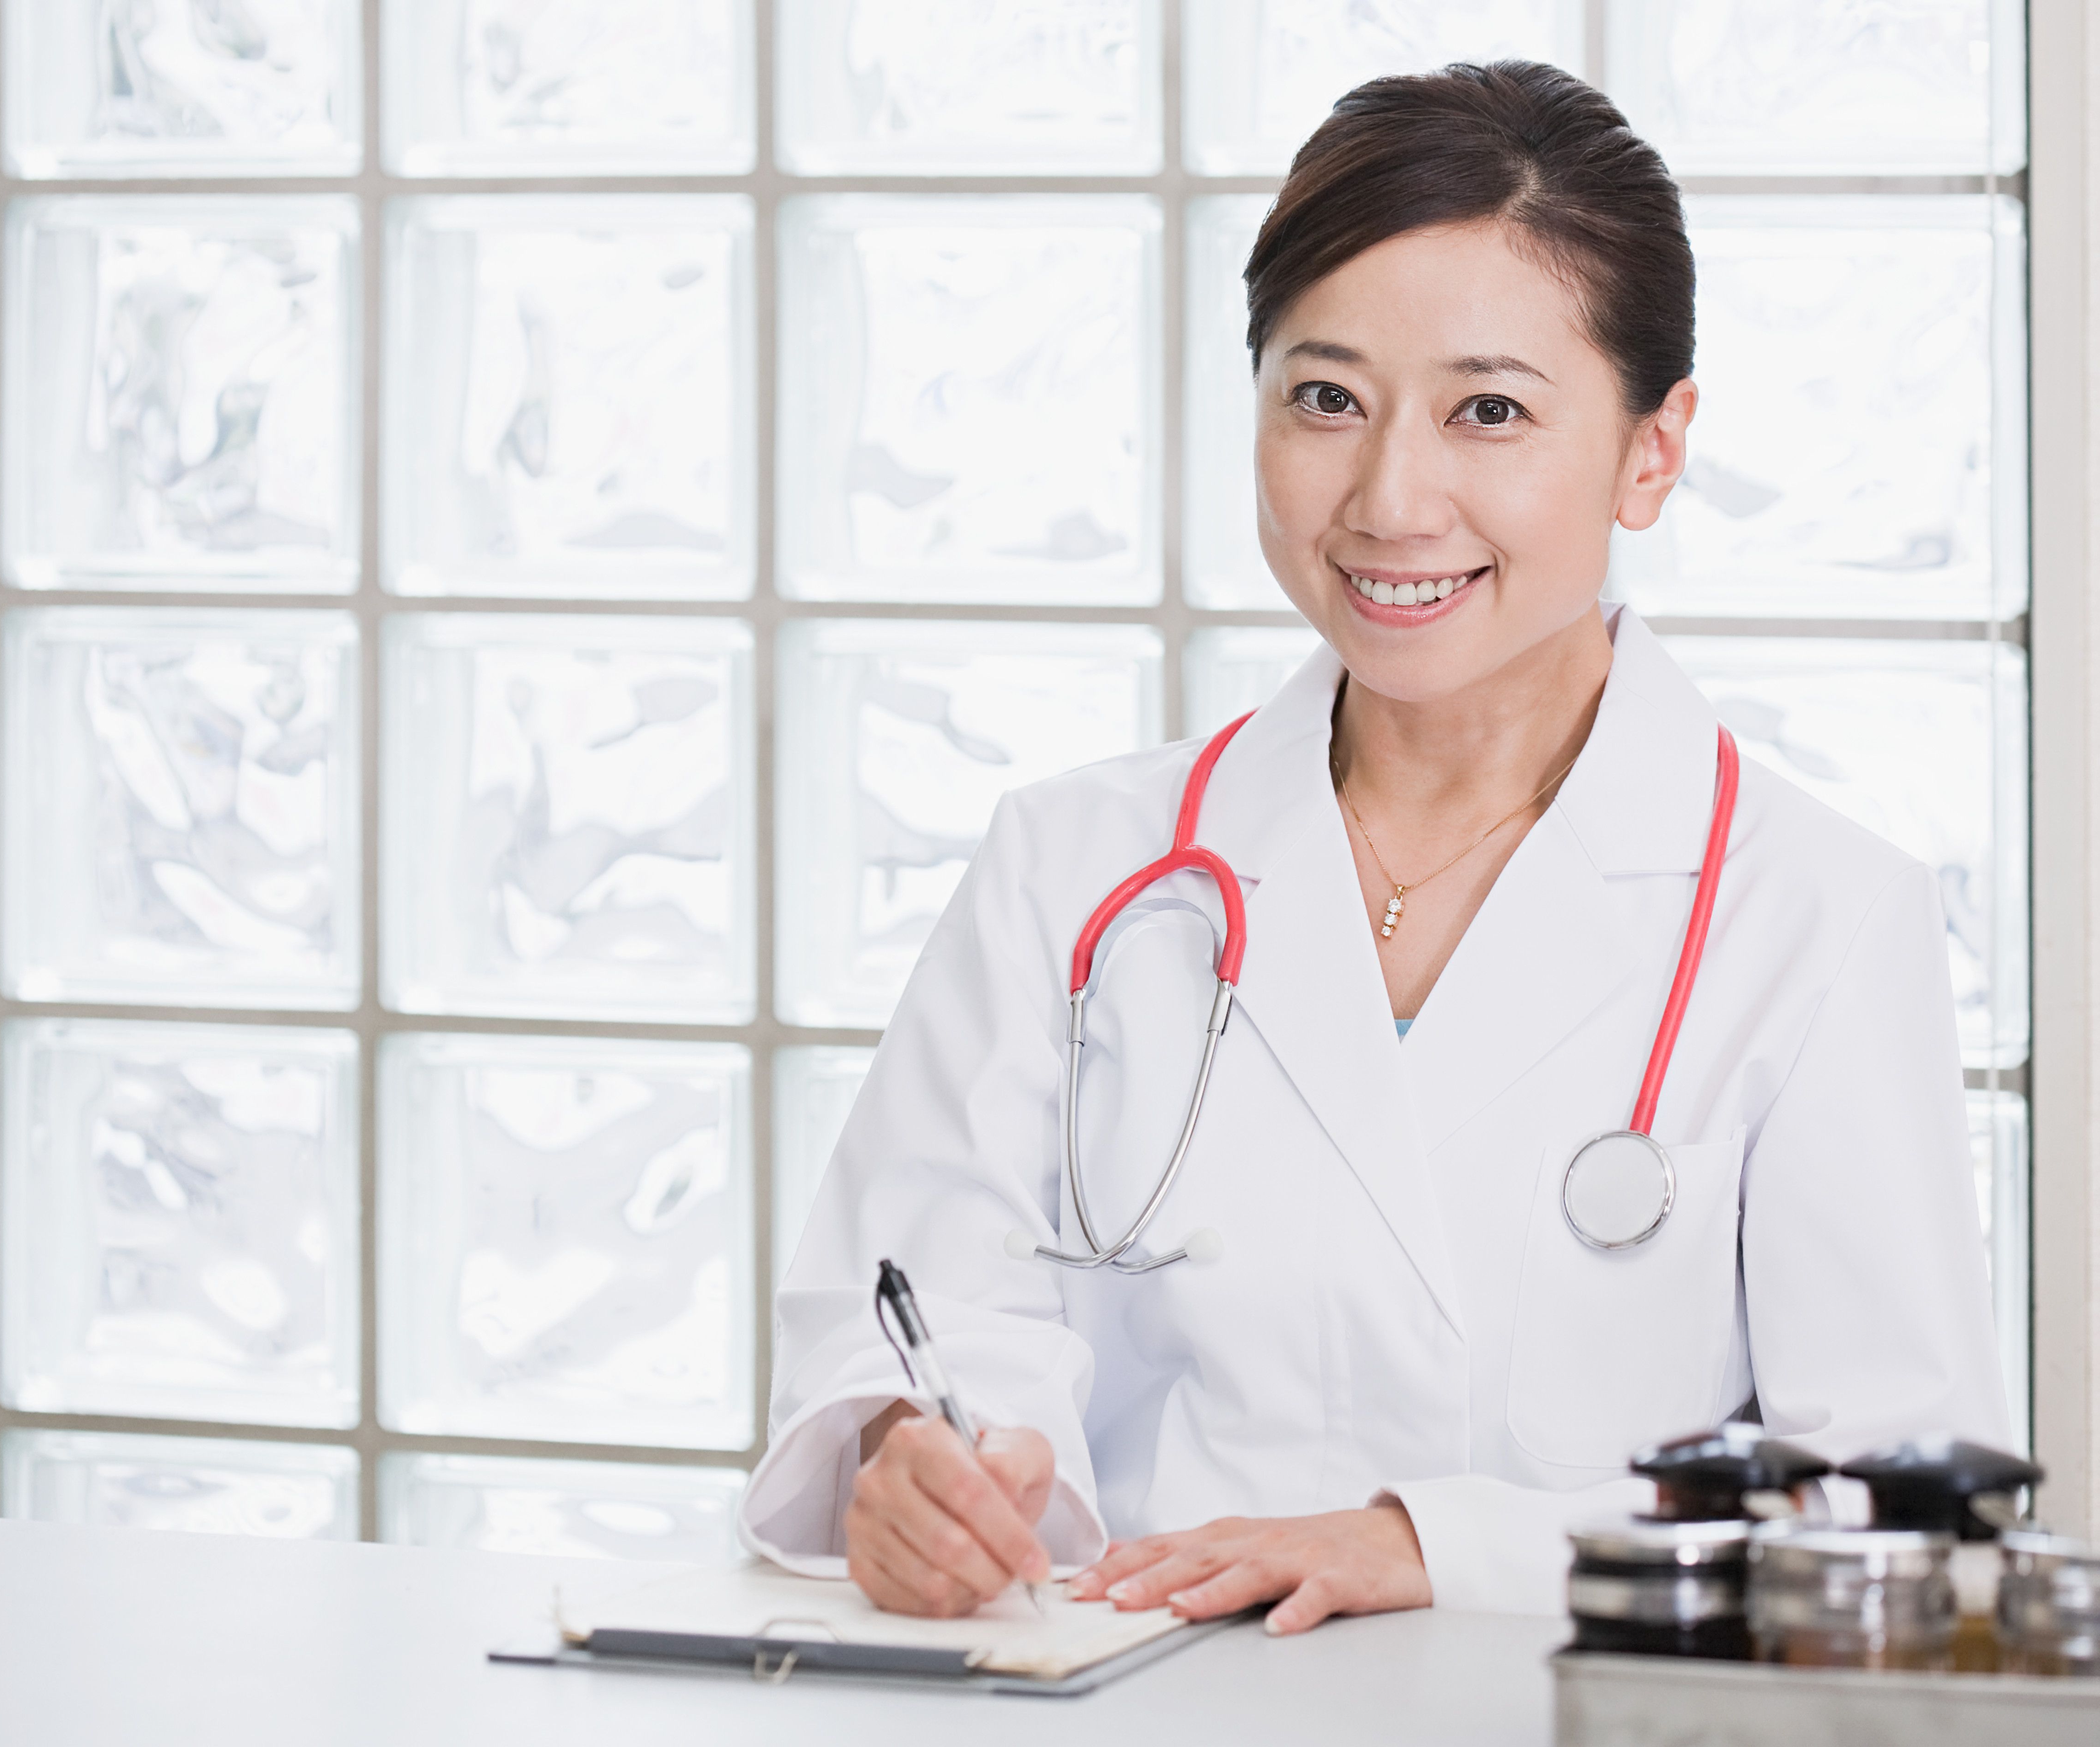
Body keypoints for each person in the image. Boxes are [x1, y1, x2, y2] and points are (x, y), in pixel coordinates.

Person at [739, 59, 2008, 1635]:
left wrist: (1432, 1545)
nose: (1391, 496)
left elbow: (1890, 1515)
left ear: (1650, 451)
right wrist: (916, 1473)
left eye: (1489, 411)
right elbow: (915, 1322)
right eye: (1324, 398)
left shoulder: (1814, 916)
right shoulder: (1074, 868)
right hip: (1134, 1701)